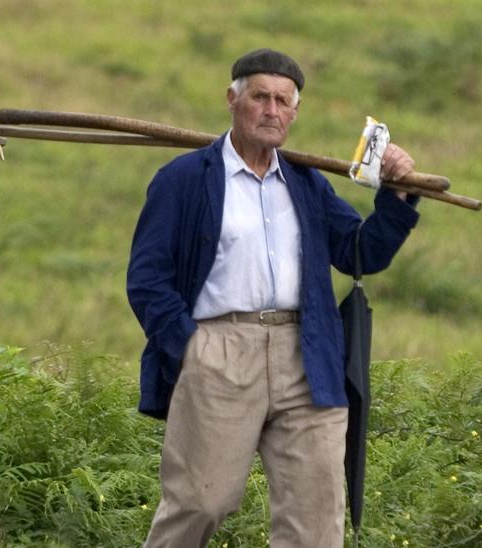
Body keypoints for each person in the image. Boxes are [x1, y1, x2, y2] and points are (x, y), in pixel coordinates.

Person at [126, 48, 421, 547]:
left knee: (316, 519)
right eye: (260, 97)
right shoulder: (184, 179)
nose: (272, 110)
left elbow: (358, 254)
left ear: (294, 112)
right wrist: (190, 346)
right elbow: (147, 280)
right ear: (232, 100)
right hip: (220, 349)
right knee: (200, 502)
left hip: (307, 354)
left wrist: (394, 197)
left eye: (284, 101)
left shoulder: (305, 183)